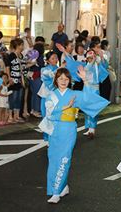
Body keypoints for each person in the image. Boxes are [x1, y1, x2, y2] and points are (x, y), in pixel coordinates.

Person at [38, 67, 109, 204]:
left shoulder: (74, 94)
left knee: (64, 159)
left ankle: (56, 191)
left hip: (69, 129)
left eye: (66, 79)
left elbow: (89, 99)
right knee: (53, 159)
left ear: (70, 80)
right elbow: (49, 113)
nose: (63, 81)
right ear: (56, 81)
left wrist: (85, 81)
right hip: (55, 130)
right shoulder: (51, 95)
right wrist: (64, 107)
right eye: (60, 79)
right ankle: (63, 186)